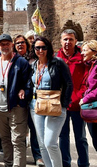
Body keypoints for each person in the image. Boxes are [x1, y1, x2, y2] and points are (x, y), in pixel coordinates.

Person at [0, 34, 30, 167]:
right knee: (5, 139)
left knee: (18, 140)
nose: (5, 46)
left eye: (7, 43)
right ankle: (8, 163)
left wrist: (24, 91)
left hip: (16, 107)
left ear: (12, 45)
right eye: (2, 44)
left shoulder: (21, 62)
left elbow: (28, 82)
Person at [28, 36, 73, 167]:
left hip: (54, 105)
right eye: (37, 47)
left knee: (50, 143)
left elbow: (69, 84)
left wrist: (64, 104)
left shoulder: (57, 63)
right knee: (42, 144)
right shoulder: (33, 65)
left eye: (43, 47)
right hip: (36, 106)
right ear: (34, 49)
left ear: (48, 48)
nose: (40, 50)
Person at [56, 29, 89, 167]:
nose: (68, 42)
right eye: (65, 39)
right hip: (61, 104)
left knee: (80, 137)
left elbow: (86, 81)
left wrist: (79, 97)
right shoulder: (56, 58)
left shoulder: (83, 58)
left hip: (77, 104)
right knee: (63, 137)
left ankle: (83, 163)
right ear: (61, 41)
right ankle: (65, 163)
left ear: (76, 41)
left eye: (70, 39)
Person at [13, 35, 43, 166]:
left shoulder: (34, 59)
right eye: (17, 43)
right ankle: (20, 156)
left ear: (27, 44)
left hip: (32, 99)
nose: (20, 45)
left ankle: (38, 156)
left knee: (34, 128)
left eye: (22, 42)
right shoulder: (11, 59)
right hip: (16, 99)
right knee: (18, 130)